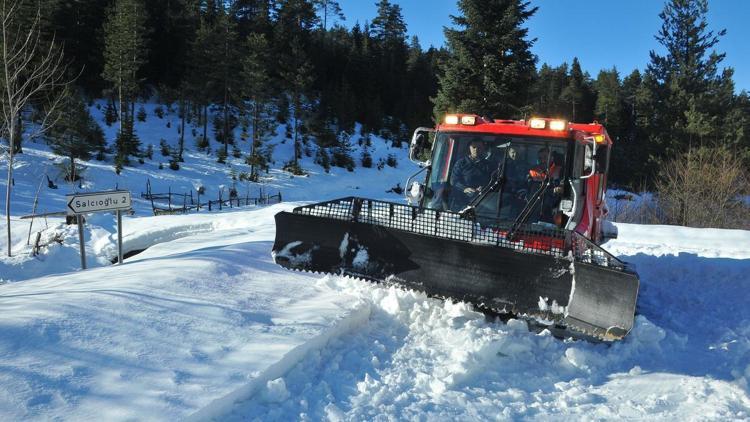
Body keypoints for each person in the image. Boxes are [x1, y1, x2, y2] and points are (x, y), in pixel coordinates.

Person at [450, 140, 492, 209]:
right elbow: (453, 181)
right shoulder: (461, 163)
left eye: (479, 147)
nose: (476, 149)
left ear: (483, 149)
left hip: (482, 201)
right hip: (462, 200)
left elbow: (492, 180)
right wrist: (465, 189)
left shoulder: (488, 165)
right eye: (474, 147)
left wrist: (484, 187)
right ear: (469, 148)